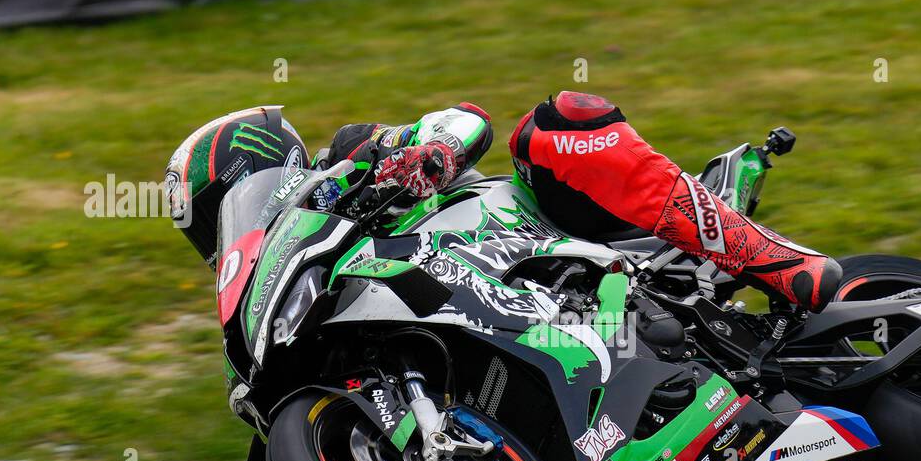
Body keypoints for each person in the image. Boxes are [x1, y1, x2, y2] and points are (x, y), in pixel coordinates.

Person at [169, 92, 841, 311]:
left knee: (558, 127)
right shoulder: (290, 282)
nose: (219, 237)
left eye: (218, 209)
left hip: (535, 234)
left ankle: (775, 260)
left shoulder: (348, 154)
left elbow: (465, 119)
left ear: (256, 165)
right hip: (491, 306)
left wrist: (418, 157)